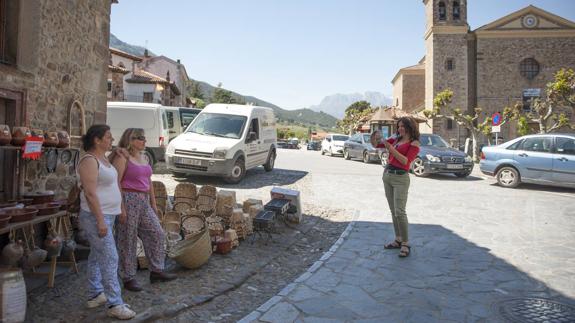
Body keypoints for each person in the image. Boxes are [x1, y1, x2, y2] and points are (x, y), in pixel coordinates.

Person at [78, 124, 136, 320]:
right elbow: (90, 193)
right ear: (97, 139)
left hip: (107, 215)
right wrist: (101, 221)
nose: (112, 140)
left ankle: (95, 294)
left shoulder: (103, 158)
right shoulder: (88, 160)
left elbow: (109, 178)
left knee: (97, 255)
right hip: (96, 217)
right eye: (109, 137)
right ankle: (115, 303)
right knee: (110, 257)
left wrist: (118, 152)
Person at [110, 128, 176, 292]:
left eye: (144, 138)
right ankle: (128, 277)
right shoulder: (122, 157)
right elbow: (116, 182)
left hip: (144, 200)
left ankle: (156, 270)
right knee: (128, 239)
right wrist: (121, 208)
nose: (144, 141)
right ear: (130, 140)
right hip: (128, 198)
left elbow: (148, 181)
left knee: (157, 233)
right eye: (140, 138)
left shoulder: (145, 157)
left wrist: (153, 204)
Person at [370, 117, 420, 257]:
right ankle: (398, 239)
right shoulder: (396, 139)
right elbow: (377, 145)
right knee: (393, 211)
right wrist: (375, 136)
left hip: (401, 178)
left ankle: (405, 243)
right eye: (399, 126)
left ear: (410, 127)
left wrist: (390, 148)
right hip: (388, 176)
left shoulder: (414, 143)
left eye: (403, 126)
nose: (400, 129)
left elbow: (405, 161)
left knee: (400, 211)